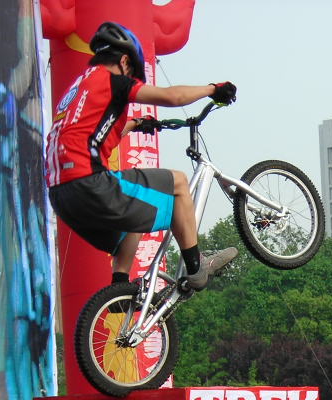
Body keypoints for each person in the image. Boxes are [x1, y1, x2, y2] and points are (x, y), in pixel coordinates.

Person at [45, 21, 238, 290]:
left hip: (62, 197)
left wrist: (136, 124)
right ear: (124, 61)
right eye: (133, 74)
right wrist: (212, 89)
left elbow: (95, 135)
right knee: (179, 182)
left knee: (131, 220)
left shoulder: (79, 89)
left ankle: (118, 294)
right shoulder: (113, 81)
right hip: (89, 183)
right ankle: (197, 268)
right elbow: (172, 97)